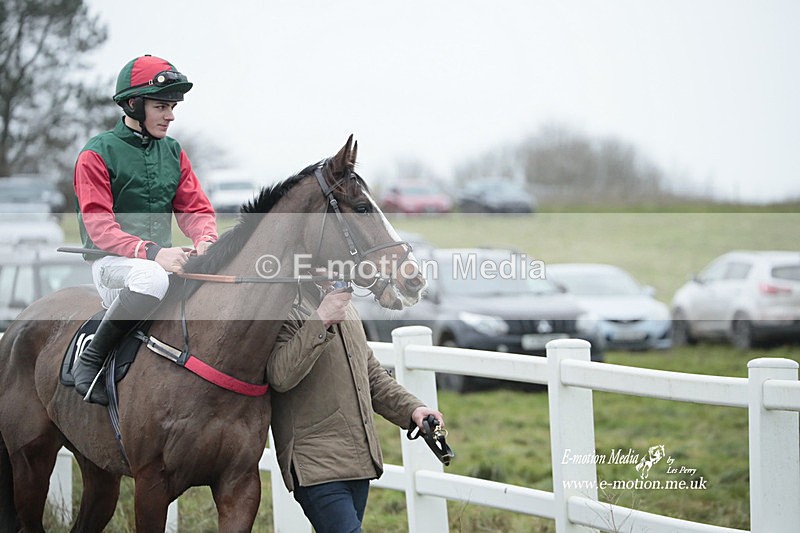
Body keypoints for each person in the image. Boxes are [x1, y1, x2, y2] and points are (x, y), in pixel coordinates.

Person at [71, 55, 218, 405]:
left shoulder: (173, 151)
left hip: (159, 264)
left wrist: (207, 241)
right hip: (113, 267)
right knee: (151, 278)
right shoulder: (96, 154)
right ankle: (90, 359)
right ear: (134, 104)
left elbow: (195, 208)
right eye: (162, 106)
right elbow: (99, 227)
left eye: (173, 107)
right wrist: (154, 253)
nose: (170, 115)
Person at [267, 276, 444, 533]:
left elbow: (370, 373)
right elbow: (279, 376)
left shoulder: (345, 305)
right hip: (315, 464)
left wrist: (413, 409)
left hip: (358, 462)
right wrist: (321, 319)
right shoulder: (284, 304)